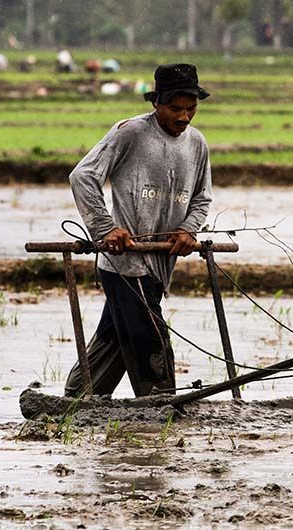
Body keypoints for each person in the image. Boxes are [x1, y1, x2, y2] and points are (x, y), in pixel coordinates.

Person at [64, 63, 212, 398]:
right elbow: (83, 176)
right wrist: (106, 228)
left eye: (191, 109)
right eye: (175, 108)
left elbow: (203, 196)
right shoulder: (130, 132)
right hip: (124, 261)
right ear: (156, 103)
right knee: (149, 334)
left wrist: (189, 229)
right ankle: (160, 402)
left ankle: (77, 397)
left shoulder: (197, 144)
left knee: (117, 334)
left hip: (160, 262)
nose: (184, 117)